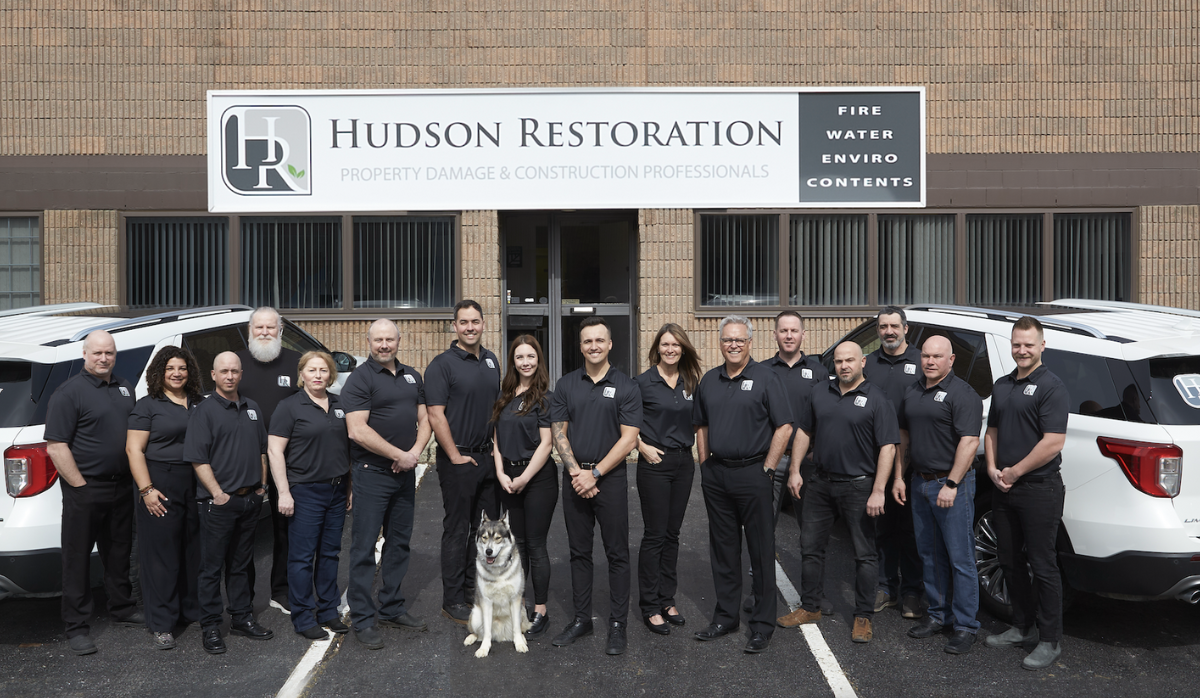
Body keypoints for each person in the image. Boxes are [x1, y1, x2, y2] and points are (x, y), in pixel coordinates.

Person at [778, 342, 898, 644]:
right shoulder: (820, 391)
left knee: (864, 554)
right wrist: (794, 471)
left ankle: (862, 617)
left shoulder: (877, 399)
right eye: (840, 361)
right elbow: (804, 431)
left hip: (859, 486)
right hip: (819, 482)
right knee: (810, 547)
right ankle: (810, 606)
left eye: (850, 361)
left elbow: (888, 447)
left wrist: (879, 490)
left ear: (863, 362)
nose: (844, 366)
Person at [692, 316, 792, 654]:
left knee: (761, 551)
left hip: (754, 473)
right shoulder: (709, 380)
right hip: (717, 475)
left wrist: (768, 467)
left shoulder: (767, 378)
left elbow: (785, 427)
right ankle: (725, 617)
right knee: (723, 549)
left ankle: (762, 625)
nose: (733, 345)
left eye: (739, 340)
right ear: (720, 343)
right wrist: (705, 465)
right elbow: (701, 425)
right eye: (727, 340)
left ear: (750, 343)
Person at [46, 330, 143, 656]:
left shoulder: (125, 387)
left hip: (120, 486)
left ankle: (122, 608)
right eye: (97, 353)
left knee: (119, 552)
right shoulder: (68, 393)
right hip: (85, 489)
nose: (104, 358)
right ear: (84, 354)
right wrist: (80, 486)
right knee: (77, 560)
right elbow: (57, 446)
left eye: (110, 353)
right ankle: (77, 626)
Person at [550, 316, 642, 656]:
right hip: (575, 479)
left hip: (611, 480)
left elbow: (629, 439)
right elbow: (559, 433)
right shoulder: (566, 384)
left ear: (610, 344)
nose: (593, 346)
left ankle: (618, 624)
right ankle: (581, 619)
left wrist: (596, 474)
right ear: (581, 345)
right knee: (579, 552)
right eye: (587, 341)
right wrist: (577, 474)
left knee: (617, 553)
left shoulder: (627, 386)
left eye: (599, 340)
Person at [983, 316, 1069, 670]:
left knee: (1042, 564)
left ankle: (1050, 640)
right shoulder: (1002, 385)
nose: (1022, 350)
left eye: (1029, 345)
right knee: (1009, 560)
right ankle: (1021, 627)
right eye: (1017, 344)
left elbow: (1053, 442)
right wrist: (991, 468)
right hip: (1003, 487)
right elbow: (992, 431)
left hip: (1038, 489)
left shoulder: (1052, 387)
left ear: (1042, 346)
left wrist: (1015, 471)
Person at [341, 319, 432, 650]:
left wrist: (414, 453)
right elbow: (357, 430)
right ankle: (363, 618)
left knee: (398, 544)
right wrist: (399, 454)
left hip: (403, 475)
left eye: (389, 339)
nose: (384, 345)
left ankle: (391, 607)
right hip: (371, 474)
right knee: (364, 548)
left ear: (398, 341)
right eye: (378, 340)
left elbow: (425, 420)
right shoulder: (359, 379)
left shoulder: (412, 376)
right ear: (368, 342)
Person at [892, 335, 983, 655]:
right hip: (919, 482)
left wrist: (953, 484)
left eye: (937, 357)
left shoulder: (963, 394)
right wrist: (900, 477)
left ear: (951, 360)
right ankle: (938, 615)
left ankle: (965, 625)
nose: (930, 361)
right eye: (926, 356)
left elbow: (970, 442)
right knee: (929, 554)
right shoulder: (913, 390)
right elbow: (904, 436)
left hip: (951, 486)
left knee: (960, 559)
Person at [184, 352, 274, 655]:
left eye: (235, 371)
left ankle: (241, 618)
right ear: (213, 374)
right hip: (218, 503)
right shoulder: (204, 411)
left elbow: (262, 450)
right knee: (211, 568)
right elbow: (198, 458)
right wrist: (218, 493)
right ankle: (210, 626)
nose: (230, 376)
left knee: (240, 565)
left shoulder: (252, 408)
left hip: (250, 500)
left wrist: (261, 485)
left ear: (241, 373)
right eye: (224, 371)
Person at [425, 299, 502, 625]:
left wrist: (497, 452)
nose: (470, 327)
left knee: (484, 530)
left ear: (483, 324)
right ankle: (453, 600)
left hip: (487, 457)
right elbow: (435, 413)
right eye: (464, 322)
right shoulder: (442, 365)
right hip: (458, 458)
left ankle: (477, 591)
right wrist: (455, 455)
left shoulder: (491, 361)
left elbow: (496, 410)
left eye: (475, 321)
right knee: (457, 530)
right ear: (454, 326)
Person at [268, 352, 352, 640]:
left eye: (324, 370)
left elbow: (346, 450)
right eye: (312, 370)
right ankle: (304, 617)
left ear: (331, 375)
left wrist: (349, 487)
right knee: (302, 558)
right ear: (301, 374)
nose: (318, 375)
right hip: (305, 491)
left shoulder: (340, 405)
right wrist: (283, 492)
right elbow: (274, 450)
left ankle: (328, 611)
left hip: (337, 490)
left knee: (330, 554)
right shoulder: (289, 406)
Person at [126, 346, 204, 651]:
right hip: (160, 482)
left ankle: (190, 610)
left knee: (191, 549)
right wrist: (146, 490)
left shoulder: (198, 402)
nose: (177, 373)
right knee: (161, 557)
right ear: (159, 372)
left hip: (194, 481)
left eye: (182, 368)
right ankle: (161, 622)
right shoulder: (148, 406)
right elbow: (134, 450)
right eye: (170, 368)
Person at [634, 323, 702, 635]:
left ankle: (666, 598)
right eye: (665, 345)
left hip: (683, 463)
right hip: (654, 462)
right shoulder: (643, 383)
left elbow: (700, 422)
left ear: (683, 348)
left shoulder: (691, 381)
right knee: (655, 535)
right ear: (657, 349)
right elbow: (625, 423)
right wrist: (641, 446)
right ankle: (649, 605)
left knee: (672, 534)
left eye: (676, 345)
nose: (670, 349)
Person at [234, 306, 302, 615]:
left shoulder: (295, 362)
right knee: (242, 531)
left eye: (270, 328)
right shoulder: (236, 363)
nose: (264, 332)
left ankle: (281, 590)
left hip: (286, 459)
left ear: (280, 331)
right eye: (259, 327)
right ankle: (242, 599)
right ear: (250, 330)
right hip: (243, 460)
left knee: (285, 528)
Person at [489, 335, 557, 639]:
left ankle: (540, 609)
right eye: (520, 357)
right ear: (513, 362)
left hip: (538, 479)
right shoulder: (504, 395)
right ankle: (518, 602)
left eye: (531, 357)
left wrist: (524, 478)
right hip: (509, 477)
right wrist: (502, 473)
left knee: (536, 544)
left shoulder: (544, 398)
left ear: (538, 360)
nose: (526, 362)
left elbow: (547, 444)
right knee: (518, 547)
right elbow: (496, 440)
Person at [863, 306, 925, 619]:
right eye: (883, 326)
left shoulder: (920, 361)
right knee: (881, 528)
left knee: (911, 531)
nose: (889, 331)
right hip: (875, 461)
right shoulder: (868, 363)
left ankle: (912, 591)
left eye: (894, 326)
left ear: (906, 328)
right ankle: (885, 586)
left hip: (913, 460)